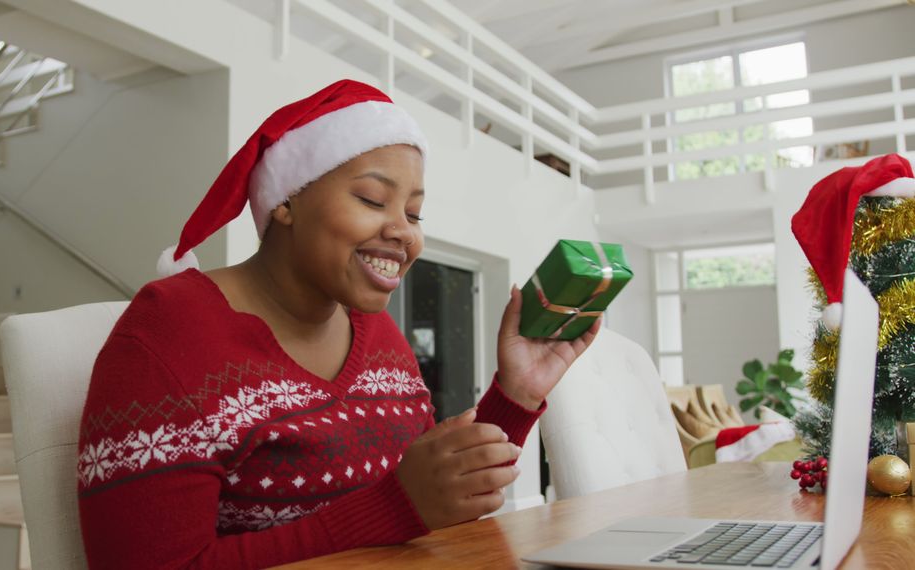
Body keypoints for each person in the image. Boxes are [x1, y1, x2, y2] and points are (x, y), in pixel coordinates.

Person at [76, 79, 599, 569]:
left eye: (414, 214)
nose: (403, 232)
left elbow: (439, 501)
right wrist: (394, 507)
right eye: (373, 200)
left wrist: (516, 396)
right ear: (285, 200)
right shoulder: (164, 338)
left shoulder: (379, 338)